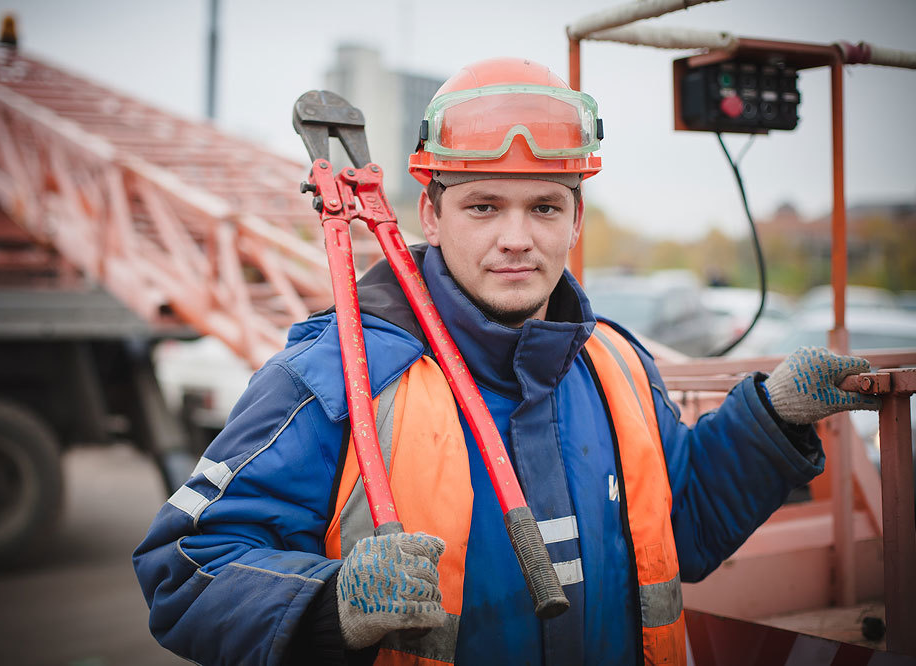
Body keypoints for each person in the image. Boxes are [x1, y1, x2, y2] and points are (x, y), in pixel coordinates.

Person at [133, 58, 878, 666]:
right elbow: (186, 567)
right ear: (430, 213)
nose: (517, 238)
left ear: (576, 219)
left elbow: (681, 530)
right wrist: (331, 605)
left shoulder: (615, 364)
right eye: (484, 206)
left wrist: (771, 418)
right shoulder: (341, 377)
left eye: (545, 207)